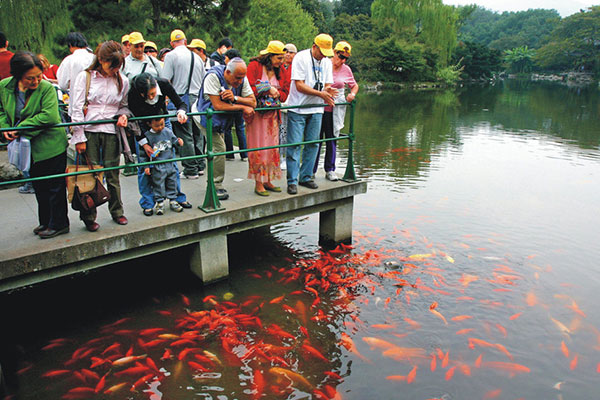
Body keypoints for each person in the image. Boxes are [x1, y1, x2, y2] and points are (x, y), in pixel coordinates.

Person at [0, 52, 69, 238]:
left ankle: (59, 224)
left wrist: (20, 128)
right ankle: (45, 221)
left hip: (51, 144)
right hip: (27, 148)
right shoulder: (5, 87)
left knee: (55, 186)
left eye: (39, 76)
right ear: (18, 76)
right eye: (30, 78)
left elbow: (50, 116)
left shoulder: (46, 88)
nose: (36, 81)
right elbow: (2, 111)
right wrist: (5, 127)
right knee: (39, 186)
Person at [69, 41, 130, 232]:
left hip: (111, 130)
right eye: (112, 66)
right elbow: (76, 108)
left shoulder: (122, 80)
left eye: (118, 67)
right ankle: (88, 215)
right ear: (101, 60)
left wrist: (123, 115)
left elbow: (124, 106)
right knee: (91, 173)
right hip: (89, 130)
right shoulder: (85, 77)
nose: (114, 70)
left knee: (113, 173)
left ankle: (117, 211)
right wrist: (79, 137)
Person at [128, 72, 192, 216]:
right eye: (147, 95)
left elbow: (180, 102)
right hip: (143, 125)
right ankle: (148, 202)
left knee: (170, 160)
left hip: (162, 120)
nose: (151, 97)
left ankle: (176, 197)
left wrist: (181, 112)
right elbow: (133, 121)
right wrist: (144, 143)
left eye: (152, 93)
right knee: (144, 165)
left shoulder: (163, 84)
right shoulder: (133, 94)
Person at [194, 57, 256, 200]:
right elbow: (218, 106)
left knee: (215, 149)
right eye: (237, 78)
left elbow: (253, 101)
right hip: (204, 116)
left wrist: (235, 98)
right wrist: (243, 107)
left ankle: (212, 179)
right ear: (227, 72)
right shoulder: (213, 76)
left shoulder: (241, 79)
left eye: (242, 78)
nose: (239, 82)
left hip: (222, 120)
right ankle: (215, 186)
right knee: (218, 149)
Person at [285, 34, 337, 195]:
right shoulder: (301, 58)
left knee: (313, 143)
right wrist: (321, 94)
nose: (323, 56)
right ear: (314, 47)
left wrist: (327, 91)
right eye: (321, 52)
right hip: (298, 108)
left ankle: (306, 176)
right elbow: (299, 85)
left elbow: (327, 83)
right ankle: (292, 180)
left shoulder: (327, 62)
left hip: (316, 109)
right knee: (294, 145)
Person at [246, 40, 290, 196]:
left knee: (272, 147)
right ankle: (258, 182)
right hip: (257, 114)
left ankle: (268, 179)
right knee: (258, 146)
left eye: (282, 58)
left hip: (272, 116)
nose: (282, 61)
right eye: (278, 58)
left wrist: (277, 94)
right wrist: (267, 89)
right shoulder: (254, 66)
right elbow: (248, 88)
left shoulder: (282, 70)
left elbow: (285, 92)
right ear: (270, 56)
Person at [161, 29, 205, 179]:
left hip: (180, 98)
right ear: (185, 42)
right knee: (198, 133)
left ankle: (190, 169)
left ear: (172, 43)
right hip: (197, 98)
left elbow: (165, 80)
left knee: (185, 135)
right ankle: (200, 165)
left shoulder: (171, 56)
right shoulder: (197, 57)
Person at [313, 41, 358, 181]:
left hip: (335, 109)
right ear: (334, 52)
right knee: (316, 139)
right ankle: (311, 169)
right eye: (340, 56)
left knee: (332, 138)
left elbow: (354, 85)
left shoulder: (346, 70)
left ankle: (330, 169)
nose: (342, 60)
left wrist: (352, 95)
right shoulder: (323, 63)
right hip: (319, 107)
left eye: (345, 58)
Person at [139, 117, 184, 215]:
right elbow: (143, 154)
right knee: (158, 184)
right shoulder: (147, 136)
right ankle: (159, 202)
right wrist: (146, 166)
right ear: (149, 124)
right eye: (157, 126)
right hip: (157, 165)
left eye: (162, 124)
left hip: (169, 162)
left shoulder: (167, 131)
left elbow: (174, 140)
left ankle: (173, 200)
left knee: (172, 182)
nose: (160, 127)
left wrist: (179, 142)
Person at [222, 48, 247, 161]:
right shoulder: (242, 75)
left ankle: (229, 153)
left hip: (232, 104)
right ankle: (244, 153)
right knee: (240, 127)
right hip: (239, 103)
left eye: (226, 58)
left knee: (228, 128)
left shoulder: (233, 73)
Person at [56, 32, 94, 102]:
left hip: (76, 101)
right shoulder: (95, 58)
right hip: (96, 103)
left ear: (70, 45)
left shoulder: (68, 60)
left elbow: (62, 85)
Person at [279, 43, 297, 170]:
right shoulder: (279, 67)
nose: (288, 54)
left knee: (292, 133)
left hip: (294, 104)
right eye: (286, 52)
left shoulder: (297, 67)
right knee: (281, 132)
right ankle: (280, 157)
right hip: (280, 103)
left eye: (291, 52)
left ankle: (288, 158)